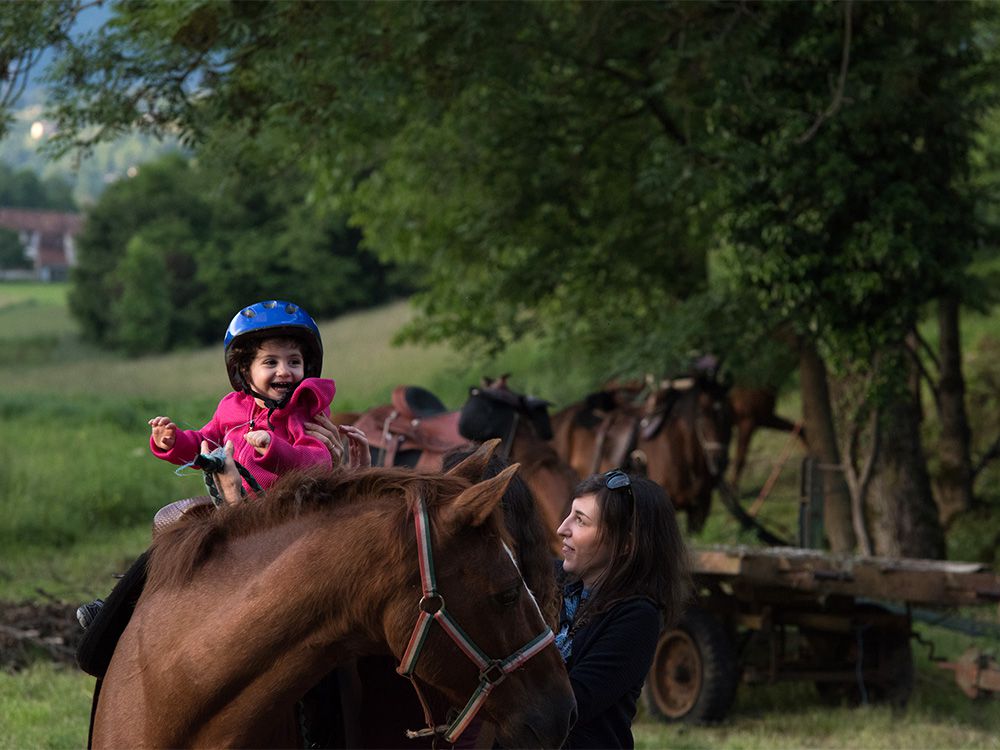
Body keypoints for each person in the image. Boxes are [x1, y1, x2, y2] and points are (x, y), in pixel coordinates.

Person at [555, 469, 691, 749]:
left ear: (626, 544)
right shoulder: (554, 582)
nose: (562, 528)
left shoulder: (637, 618)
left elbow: (571, 703)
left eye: (580, 521)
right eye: (570, 514)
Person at [149, 299, 338, 495]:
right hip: (237, 503)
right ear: (245, 371)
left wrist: (274, 449)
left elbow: (318, 461)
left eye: (294, 362)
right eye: (271, 362)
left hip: (286, 506)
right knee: (170, 518)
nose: (284, 371)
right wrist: (174, 442)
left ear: (306, 367)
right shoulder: (231, 406)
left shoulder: (303, 409)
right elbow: (205, 444)